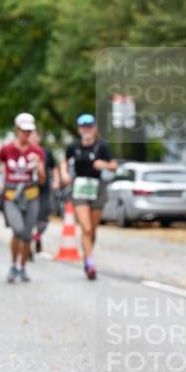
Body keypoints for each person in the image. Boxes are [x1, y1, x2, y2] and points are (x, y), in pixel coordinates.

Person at [0, 113, 46, 283]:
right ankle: (13, 264)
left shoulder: (37, 151)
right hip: (11, 196)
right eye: (23, 131)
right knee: (18, 230)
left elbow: (42, 180)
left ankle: (22, 267)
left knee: (27, 235)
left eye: (29, 131)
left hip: (31, 195)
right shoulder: (7, 149)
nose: (27, 135)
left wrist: (39, 167)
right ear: (17, 129)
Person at [60, 113, 117, 279]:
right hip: (79, 189)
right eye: (84, 128)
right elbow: (64, 160)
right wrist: (64, 173)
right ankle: (91, 262)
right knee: (85, 227)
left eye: (89, 127)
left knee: (92, 229)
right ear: (79, 130)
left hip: (97, 188)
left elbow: (114, 165)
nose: (87, 130)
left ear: (95, 129)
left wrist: (105, 164)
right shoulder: (73, 147)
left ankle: (87, 253)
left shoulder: (102, 147)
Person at [28, 129, 57, 257]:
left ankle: (36, 237)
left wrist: (56, 180)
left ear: (39, 138)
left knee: (43, 219)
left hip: (43, 189)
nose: (33, 139)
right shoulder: (24, 152)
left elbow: (54, 167)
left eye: (36, 136)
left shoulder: (46, 152)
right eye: (31, 136)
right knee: (30, 218)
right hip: (28, 189)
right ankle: (27, 244)